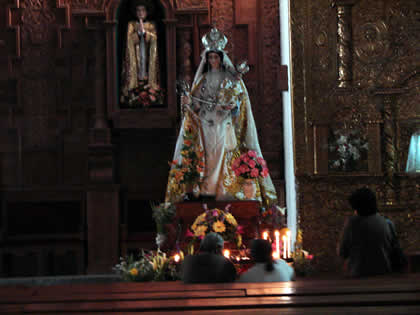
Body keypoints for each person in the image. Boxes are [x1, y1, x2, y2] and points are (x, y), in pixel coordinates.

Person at [165, 28, 278, 206]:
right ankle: (207, 189)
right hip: (205, 125)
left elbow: (241, 103)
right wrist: (187, 103)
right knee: (207, 155)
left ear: (221, 58)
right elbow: (195, 106)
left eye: (216, 57)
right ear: (207, 59)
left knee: (223, 151)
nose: (213, 61)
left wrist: (233, 107)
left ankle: (223, 189)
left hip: (224, 124)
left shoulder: (232, 80)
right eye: (210, 58)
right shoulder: (202, 80)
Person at [337, 187, 405, 277]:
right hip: (384, 276)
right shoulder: (387, 223)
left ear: (357, 207)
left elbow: (342, 252)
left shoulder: (352, 224)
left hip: (358, 276)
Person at [120, 0, 160, 106]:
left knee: (145, 63)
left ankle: (149, 84)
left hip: (147, 53)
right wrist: (138, 33)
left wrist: (145, 33)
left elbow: (154, 39)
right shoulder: (131, 25)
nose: (140, 13)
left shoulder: (151, 24)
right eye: (138, 10)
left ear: (146, 12)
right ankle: (135, 86)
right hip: (136, 53)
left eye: (143, 10)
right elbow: (129, 40)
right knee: (138, 64)